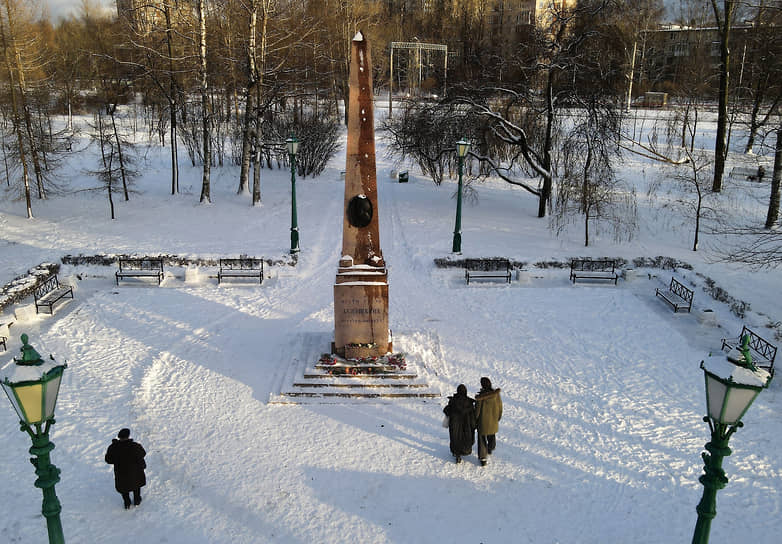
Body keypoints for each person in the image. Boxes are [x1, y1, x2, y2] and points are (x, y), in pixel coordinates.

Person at [105, 428, 147, 509]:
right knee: (136, 485)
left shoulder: (113, 447)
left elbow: (108, 460)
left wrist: (114, 446)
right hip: (135, 472)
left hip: (121, 473)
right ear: (128, 436)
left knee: (124, 488)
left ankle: (127, 502)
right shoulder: (135, 446)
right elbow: (143, 453)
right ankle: (137, 500)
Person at [443, 384, 476, 463]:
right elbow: (472, 416)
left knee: (455, 438)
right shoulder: (469, 402)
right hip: (466, 425)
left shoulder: (453, 401)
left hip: (454, 424)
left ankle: (457, 454)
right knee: (465, 438)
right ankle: (464, 451)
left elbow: (447, 411)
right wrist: (473, 425)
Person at [474, 377, 502, 466]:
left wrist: (475, 419)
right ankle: (491, 447)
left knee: (482, 439)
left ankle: (483, 458)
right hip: (493, 420)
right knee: (491, 434)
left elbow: (477, 411)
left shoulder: (481, 397)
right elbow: (500, 406)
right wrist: (498, 417)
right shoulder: (496, 394)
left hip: (482, 422)